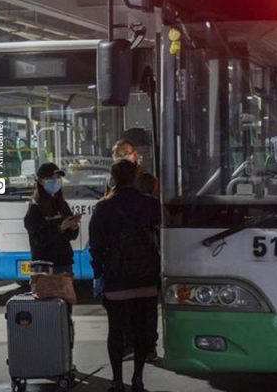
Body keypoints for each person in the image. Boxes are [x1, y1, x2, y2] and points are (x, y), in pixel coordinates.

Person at [89, 160, 161, 392]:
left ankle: (117, 380)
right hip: (145, 278)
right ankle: (138, 378)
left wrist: (99, 274)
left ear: (112, 178)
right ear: (134, 177)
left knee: (116, 330)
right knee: (141, 330)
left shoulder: (103, 207)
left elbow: (96, 245)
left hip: (116, 278)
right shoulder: (151, 205)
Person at [24, 163, 81, 275]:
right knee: (47, 293)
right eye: (51, 178)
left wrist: (74, 227)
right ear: (40, 181)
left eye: (58, 178)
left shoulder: (62, 204)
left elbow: (71, 236)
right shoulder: (35, 208)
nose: (56, 181)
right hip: (45, 266)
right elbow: (40, 238)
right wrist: (60, 228)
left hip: (64, 263)